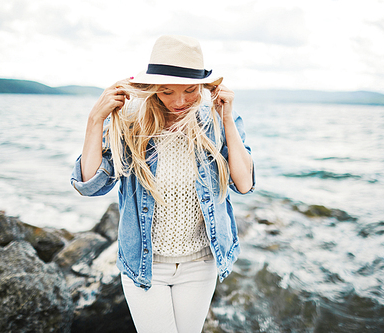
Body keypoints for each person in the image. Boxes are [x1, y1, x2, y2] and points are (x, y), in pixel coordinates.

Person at [71, 35, 255, 333]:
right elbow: (91, 185)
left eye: (190, 91)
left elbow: (244, 184)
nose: (179, 101)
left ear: (203, 87)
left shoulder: (215, 121)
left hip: (200, 263)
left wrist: (228, 119)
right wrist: (95, 119)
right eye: (167, 91)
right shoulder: (132, 124)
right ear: (153, 88)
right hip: (146, 265)